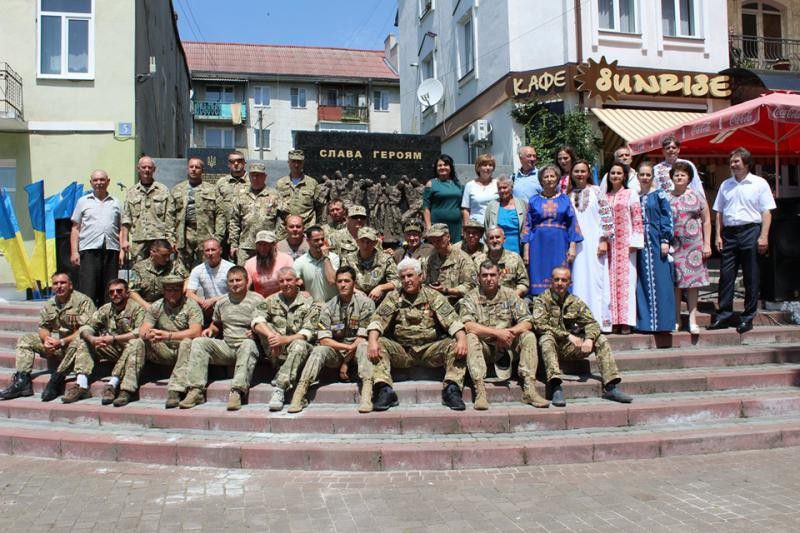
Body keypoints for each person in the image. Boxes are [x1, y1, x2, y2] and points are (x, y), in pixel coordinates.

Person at [356, 258, 469, 413]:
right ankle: (384, 390)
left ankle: (452, 389)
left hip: (429, 351)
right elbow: (378, 321)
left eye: (410, 276)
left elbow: (453, 321)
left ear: (420, 276)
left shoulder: (432, 296)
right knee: (378, 342)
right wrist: (373, 340)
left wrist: (462, 339)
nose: (406, 280)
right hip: (403, 351)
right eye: (403, 277)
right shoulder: (394, 296)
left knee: (456, 343)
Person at [533, 266, 632, 406]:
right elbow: (539, 325)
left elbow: (592, 323)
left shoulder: (575, 302)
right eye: (556, 280)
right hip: (548, 349)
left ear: (569, 283)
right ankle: (555, 387)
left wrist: (590, 339)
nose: (560, 283)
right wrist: (567, 335)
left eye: (564, 280)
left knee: (601, 339)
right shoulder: (542, 300)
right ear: (551, 281)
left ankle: (610, 386)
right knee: (546, 338)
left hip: (570, 348)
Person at [287, 266, 375, 413]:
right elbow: (324, 340)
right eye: (339, 281)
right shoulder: (328, 306)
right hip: (337, 352)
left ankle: (367, 396)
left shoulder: (366, 303)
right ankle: (300, 394)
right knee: (318, 350)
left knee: (364, 346)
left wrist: (346, 362)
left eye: (347, 281)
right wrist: (345, 350)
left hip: (357, 352)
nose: (343, 284)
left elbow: (362, 337)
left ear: (354, 283)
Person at [462, 261, 548, 410]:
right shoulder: (471, 297)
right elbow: (468, 325)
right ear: (479, 277)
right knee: (470, 336)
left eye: (492, 275)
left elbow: (528, 321)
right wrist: (497, 333)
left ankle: (529, 389)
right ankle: (480, 390)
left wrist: (509, 333)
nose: (489, 279)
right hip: (485, 348)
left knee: (528, 336)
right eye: (485, 275)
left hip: (507, 346)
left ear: (499, 276)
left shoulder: (509, 294)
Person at [0, 272, 95, 401]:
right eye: (55, 283)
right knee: (26, 339)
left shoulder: (83, 301)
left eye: (63, 283)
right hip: (60, 347)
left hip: (81, 350)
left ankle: (57, 378)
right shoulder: (50, 304)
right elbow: (43, 327)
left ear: (70, 285)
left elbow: (87, 330)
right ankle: (23, 380)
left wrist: (61, 341)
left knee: (81, 339)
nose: (59, 286)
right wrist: (47, 339)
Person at [710, 148, 775, 334]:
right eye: (731, 161)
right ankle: (723, 316)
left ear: (746, 163)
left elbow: (766, 212)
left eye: (736, 161)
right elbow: (719, 213)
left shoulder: (759, 183)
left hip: (751, 231)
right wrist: (717, 235)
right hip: (729, 233)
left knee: (751, 276)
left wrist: (763, 236)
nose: (732, 164)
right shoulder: (725, 185)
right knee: (726, 276)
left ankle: (747, 318)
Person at [179, 267, 264, 410]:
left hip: (250, 347)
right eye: (231, 281)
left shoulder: (258, 300)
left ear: (246, 281)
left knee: (248, 344)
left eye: (238, 280)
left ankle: (237, 391)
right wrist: (210, 330)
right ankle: (196, 390)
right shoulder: (222, 302)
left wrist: (256, 333)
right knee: (199, 342)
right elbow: (217, 324)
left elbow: (267, 324)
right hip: (228, 347)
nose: (235, 284)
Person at [123, 275, 203, 409]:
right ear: (164, 291)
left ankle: (176, 391)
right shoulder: (157, 306)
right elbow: (143, 330)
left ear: (181, 290)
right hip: (163, 349)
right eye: (169, 290)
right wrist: (149, 334)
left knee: (188, 342)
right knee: (137, 342)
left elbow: (196, 332)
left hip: (183, 351)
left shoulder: (191, 305)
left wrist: (169, 335)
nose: (172, 293)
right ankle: (127, 389)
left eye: (176, 290)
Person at [251, 267, 320, 412]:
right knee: (264, 326)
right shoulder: (272, 300)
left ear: (297, 281)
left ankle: (280, 388)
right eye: (281, 281)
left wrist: (285, 340)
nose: (285, 284)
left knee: (299, 344)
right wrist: (271, 335)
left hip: (301, 352)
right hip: (276, 350)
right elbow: (256, 319)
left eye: (289, 280)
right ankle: (285, 373)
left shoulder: (309, 302)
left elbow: (308, 332)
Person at [72, 279, 144, 406]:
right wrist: (92, 339)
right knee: (83, 340)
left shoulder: (137, 309)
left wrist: (115, 339)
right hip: (113, 348)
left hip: (133, 351)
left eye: (119, 291)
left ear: (127, 293)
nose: (115, 294)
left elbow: (140, 332)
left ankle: (113, 385)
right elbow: (87, 327)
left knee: (136, 343)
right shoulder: (105, 309)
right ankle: (81, 385)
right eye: (112, 292)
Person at [663, 162, 711, 333]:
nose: (679, 177)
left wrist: (707, 244)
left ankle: (692, 319)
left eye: (683, 174)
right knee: (676, 283)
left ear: (689, 178)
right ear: (672, 177)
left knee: (692, 283)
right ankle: (677, 319)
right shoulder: (666, 197)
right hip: (674, 246)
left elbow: (706, 220)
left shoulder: (697, 196)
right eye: (676, 174)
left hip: (693, 245)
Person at [569, 160, 614, 333]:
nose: (580, 174)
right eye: (576, 171)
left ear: (588, 173)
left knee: (597, 281)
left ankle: (597, 320)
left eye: (583, 171)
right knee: (578, 280)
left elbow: (606, 216)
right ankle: (578, 321)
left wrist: (604, 239)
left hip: (595, 242)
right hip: (576, 245)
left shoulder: (597, 192)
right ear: (572, 174)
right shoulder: (568, 194)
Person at [525, 164, 582, 295]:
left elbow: (572, 223)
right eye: (546, 177)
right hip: (538, 244)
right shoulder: (534, 200)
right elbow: (527, 226)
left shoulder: (565, 199)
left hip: (560, 243)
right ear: (541, 180)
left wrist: (572, 247)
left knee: (560, 274)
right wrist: (526, 252)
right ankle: (539, 307)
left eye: (552, 176)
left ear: (557, 179)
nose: (549, 179)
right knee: (538, 274)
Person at [69, 169, 121, 307]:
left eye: (102, 180)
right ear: (91, 182)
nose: (99, 183)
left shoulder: (116, 202)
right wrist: (74, 251)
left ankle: (107, 321)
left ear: (108, 181)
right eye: (96, 180)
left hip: (111, 250)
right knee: (88, 289)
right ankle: (89, 322)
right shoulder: (83, 202)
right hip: (89, 251)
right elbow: (75, 228)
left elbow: (121, 228)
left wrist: (121, 251)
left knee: (110, 289)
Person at [636, 162, 676, 333]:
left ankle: (663, 322)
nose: (645, 178)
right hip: (640, 241)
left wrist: (665, 240)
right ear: (637, 176)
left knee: (661, 280)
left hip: (656, 238)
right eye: (642, 174)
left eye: (648, 175)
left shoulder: (659, 195)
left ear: (652, 176)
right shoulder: (636, 196)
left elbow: (667, 216)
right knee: (643, 280)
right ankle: (645, 323)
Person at [606, 161, 644, 334]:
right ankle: (613, 319)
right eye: (612, 173)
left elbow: (637, 218)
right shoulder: (604, 195)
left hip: (626, 244)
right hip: (607, 245)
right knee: (609, 283)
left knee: (626, 282)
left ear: (624, 176)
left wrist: (636, 241)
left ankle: (627, 321)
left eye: (619, 173)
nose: (615, 176)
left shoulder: (631, 194)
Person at [168, 157, 224, 270]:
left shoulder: (212, 190)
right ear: (187, 169)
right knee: (181, 269)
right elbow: (170, 215)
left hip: (206, 235)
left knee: (206, 269)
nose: (194, 169)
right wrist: (171, 238)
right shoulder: (177, 189)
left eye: (197, 167)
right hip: (183, 235)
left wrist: (217, 237)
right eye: (191, 167)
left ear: (202, 170)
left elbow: (220, 214)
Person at [228, 162, 281, 266]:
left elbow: (283, 219)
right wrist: (233, 244)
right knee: (244, 275)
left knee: (267, 276)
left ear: (265, 177)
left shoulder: (274, 195)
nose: (256, 178)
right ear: (249, 176)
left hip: (267, 245)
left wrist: (278, 240)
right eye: (253, 175)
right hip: (246, 246)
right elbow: (234, 221)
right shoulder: (241, 195)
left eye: (259, 175)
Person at [120, 156, 171, 261]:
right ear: (138, 169)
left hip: (159, 239)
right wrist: (124, 240)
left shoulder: (163, 190)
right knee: (138, 272)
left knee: (160, 271)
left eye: (149, 167)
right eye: (144, 167)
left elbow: (170, 217)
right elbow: (126, 219)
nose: (147, 170)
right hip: (139, 241)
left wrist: (171, 240)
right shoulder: (131, 192)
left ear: (154, 169)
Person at [422, 223, 477, 306]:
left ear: (448, 237)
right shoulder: (430, 259)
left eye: (439, 239)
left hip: (456, 303)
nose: (436, 243)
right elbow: (425, 283)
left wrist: (447, 290)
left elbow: (470, 286)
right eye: (432, 240)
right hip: (435, 303)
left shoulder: (463, 259)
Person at [341, 226, 399, 303]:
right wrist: (354, 291)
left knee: (393, 294)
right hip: (355, 298)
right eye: (362, 241)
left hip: (379, 300)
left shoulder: (385, 259)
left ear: (375, 243)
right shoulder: (348, 259)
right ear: (357, 241)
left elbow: (396, 281)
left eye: (369, 241)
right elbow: (342, 281)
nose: (365, 245)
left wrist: (381, 287)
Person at [128, 239, 189, 309]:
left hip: (170, 304)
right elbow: (132, 291)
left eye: (169, 255)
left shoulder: (174, 265)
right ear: (152, 252)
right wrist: (147, 306)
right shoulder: (139, 268)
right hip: (146, 305)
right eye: (164, 255)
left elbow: (188, 279)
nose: (167, 259)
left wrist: (176, 295)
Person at [275, 149, 325, 234]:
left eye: (299, 162)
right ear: (288, 163)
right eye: (293, 161)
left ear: (303, 163)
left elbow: (320, 208)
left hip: (307, 231)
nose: (296, 165)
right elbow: (276, 207)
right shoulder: (280, 184)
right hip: (285, 231)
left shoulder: (312, 183)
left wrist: (319, 226)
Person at [185, 238, 234, 323]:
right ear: (203, 252)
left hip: (228, 306)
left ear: (220, 251)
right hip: (208, 309)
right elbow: (189, 293)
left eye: (213, 250)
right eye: (207, 250)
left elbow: (235, 293)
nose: (210, 253)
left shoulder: (231, 268)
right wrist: (203, 302)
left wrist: (214, 300)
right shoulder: (198, 270)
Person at [473, 227, 529, 298]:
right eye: (491, 238)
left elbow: (524, 282)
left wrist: (513, 296)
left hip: (510, 300)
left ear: (504, 239)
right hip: (485, 301)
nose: (495, 240)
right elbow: (474, 284)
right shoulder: (479, 260)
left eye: (497, 237)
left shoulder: (515, 258)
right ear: (487, 241)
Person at [293, 225, 340, 303]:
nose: (321, 242)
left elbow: (332, 280)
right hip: (312, 306)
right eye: (316, 240)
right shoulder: (299, 262)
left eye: (322, 239)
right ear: (308, 240)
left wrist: (326, 258)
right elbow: (294, 284)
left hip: (333, 304)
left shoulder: (334, 258)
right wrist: (301, 291)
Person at [215, 150, 248, 258]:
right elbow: (217, 209)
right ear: (229, 164)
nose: (236, 164)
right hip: (225, 233)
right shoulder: (221, 183)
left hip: (246, 232)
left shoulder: (252, 181)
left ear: (244, 163)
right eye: (232, 161)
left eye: (239, 161)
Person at [423, 154, 463, 242]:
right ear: (436, 168)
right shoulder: (431, 184)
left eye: (445, 165)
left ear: (451, 167)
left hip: (455, 226)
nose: (442, 167)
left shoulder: (458, 185)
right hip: (437, 226)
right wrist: (429, 226)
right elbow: (426, 208)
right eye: (439, 165)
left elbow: (462, 207)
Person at [483, 175, 527, 256]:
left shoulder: (522, 204)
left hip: (517, 248)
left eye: (505, 187)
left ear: (511, 188)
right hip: (497, 248)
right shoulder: (492, 206)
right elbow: (487, 229)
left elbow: (526, 229)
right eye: (499, 188)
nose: (502, 190)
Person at [243, 230, 294, 298]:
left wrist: (271, 299)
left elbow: (291, 285)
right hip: (260, 302)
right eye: (259, 244)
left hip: (283, 300)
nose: (262, 248)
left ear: (274, 245)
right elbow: (246, 286)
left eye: (265, 245)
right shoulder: (250, 263)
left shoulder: (287, 260)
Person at [461, 153, 499, 226]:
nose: (488, 168)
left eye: (490, 165)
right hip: (476, 227)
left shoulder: (498, 184)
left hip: (495, 225)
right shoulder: (470, 185)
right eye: (484, 165)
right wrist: (467, 228)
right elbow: (465, 209)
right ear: (478, 168)